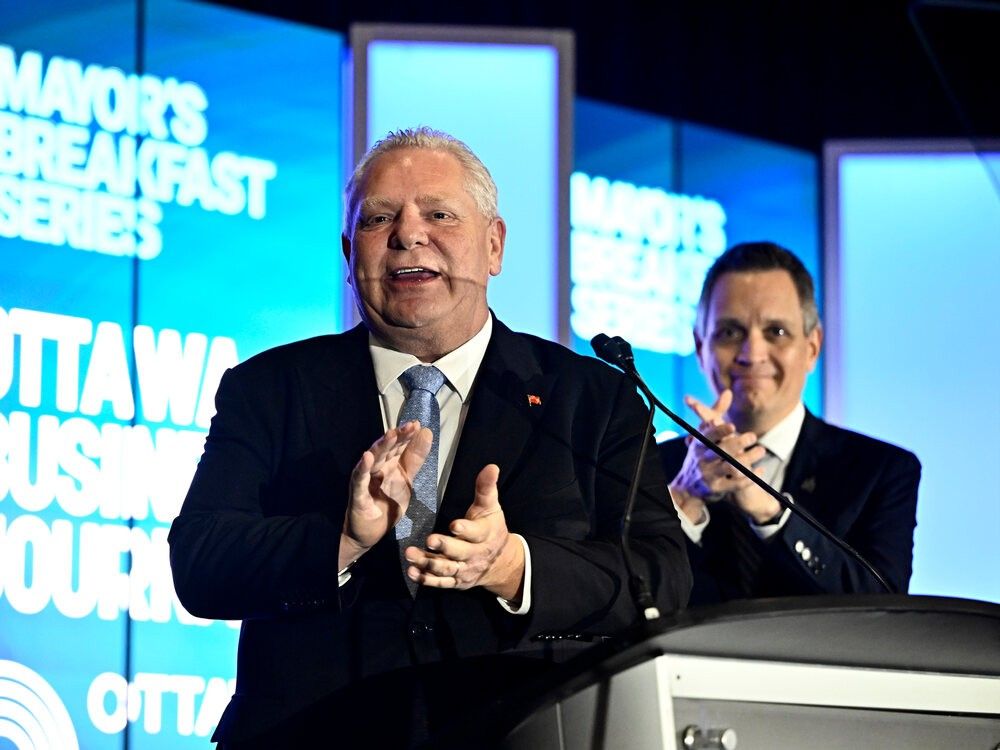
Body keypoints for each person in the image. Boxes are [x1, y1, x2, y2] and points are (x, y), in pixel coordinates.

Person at [168, 127, 691, 748]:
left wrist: (512, 567)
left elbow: (661, 577)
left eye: (439, 214)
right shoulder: (271, 388)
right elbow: (200, 564)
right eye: (379, 218)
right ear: (348, 253)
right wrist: (342, 538)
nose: (408, 235)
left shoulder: (592, 399)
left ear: (494, 245)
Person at [659, 241, 919, 605]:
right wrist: (684, 500)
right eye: (730, 332)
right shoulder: (648, 469)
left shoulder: (880, 470)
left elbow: (884, 609)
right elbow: (624, 604)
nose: (752, 354)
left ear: (812, 347)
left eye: (776, 332)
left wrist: (774, 514)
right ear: (700, 347)